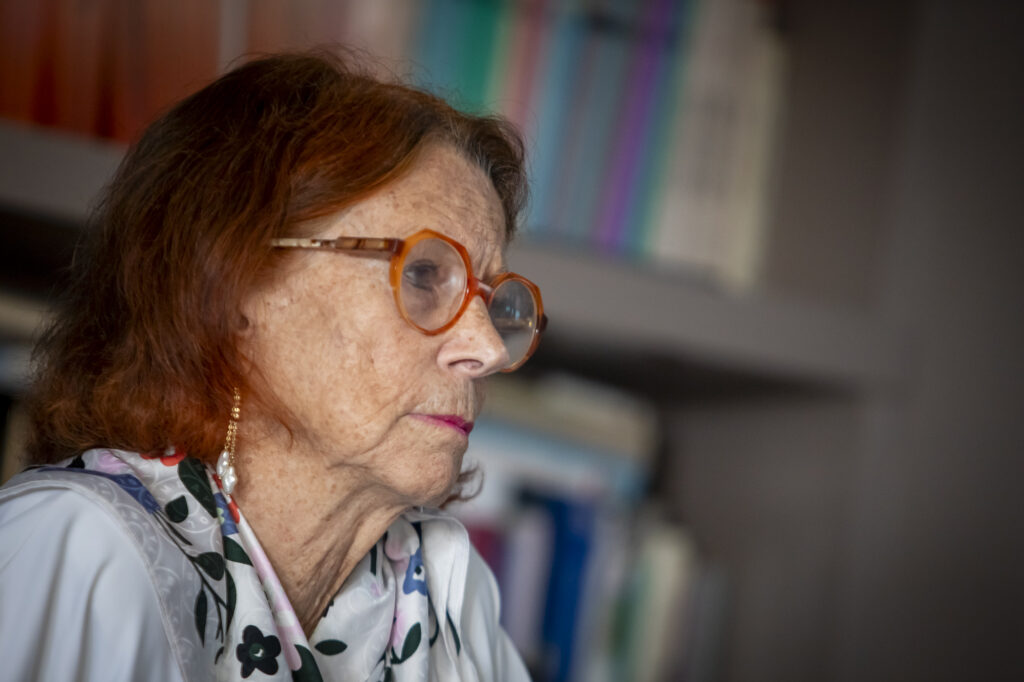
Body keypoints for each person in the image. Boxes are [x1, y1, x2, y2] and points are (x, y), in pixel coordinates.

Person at [0, 52, 545, 681]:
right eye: (424, 275)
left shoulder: (453, 594)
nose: (488, 348)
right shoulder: (74, 554)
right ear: (235, 288)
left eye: (494, 301)